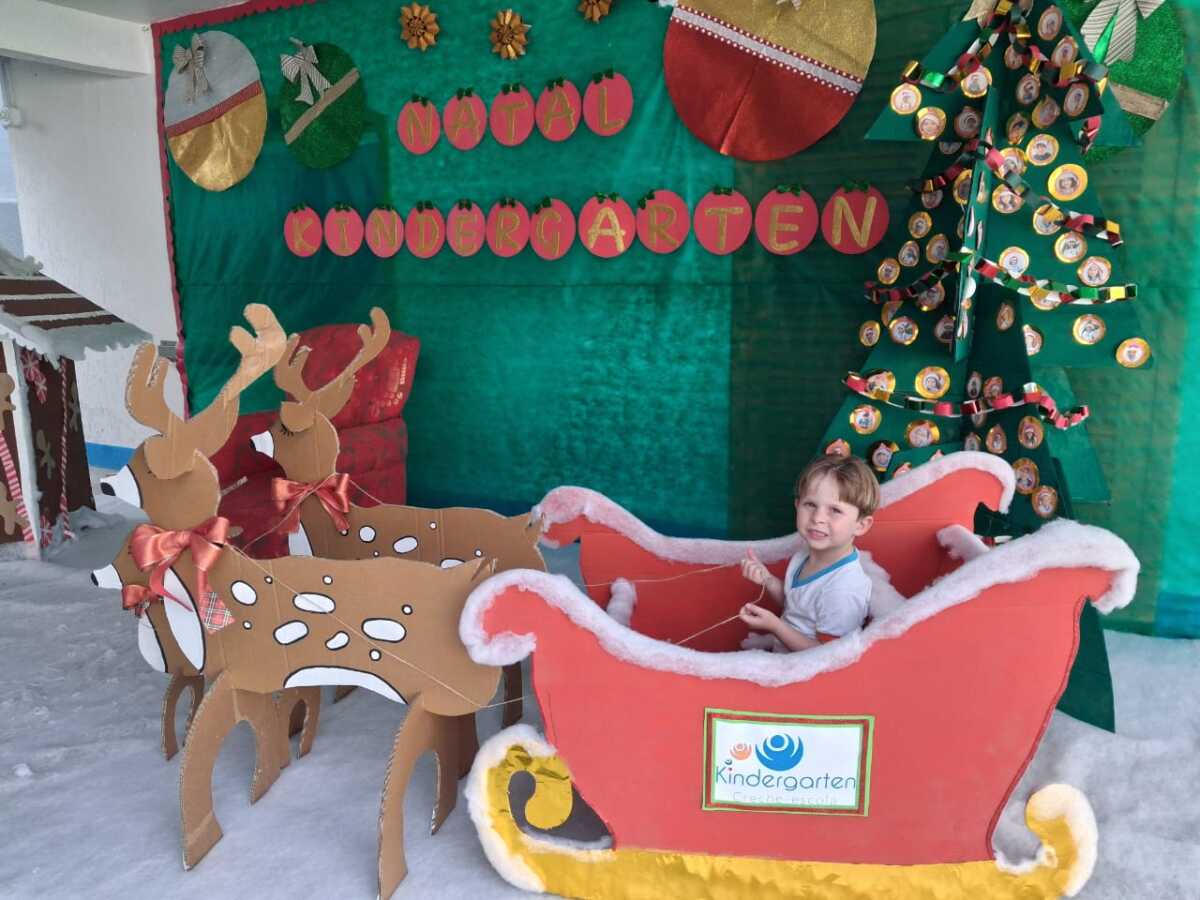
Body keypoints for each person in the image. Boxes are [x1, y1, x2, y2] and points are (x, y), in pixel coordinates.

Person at [739, 456, 878, 652]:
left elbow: (827, 656)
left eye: (835, 510)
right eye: (810, 504)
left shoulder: (843, 589)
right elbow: (797, 605)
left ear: (861, 525)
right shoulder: (805, 554)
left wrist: (775, 627)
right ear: (797, 505)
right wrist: (768, 580)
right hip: (785, 652)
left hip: (805, 668)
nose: (817, 518)